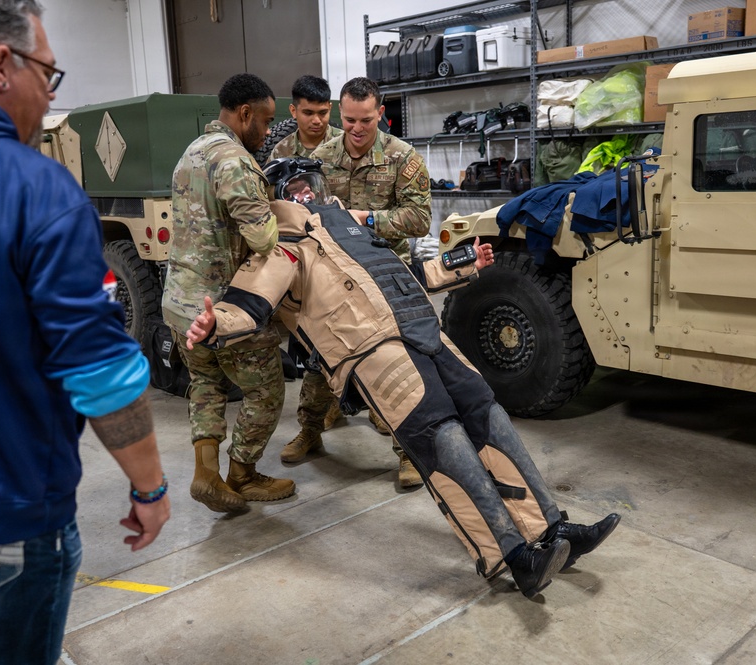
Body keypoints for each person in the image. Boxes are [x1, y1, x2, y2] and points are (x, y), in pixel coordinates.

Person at [184, 164, 620, 598]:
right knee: (442, 438)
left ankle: (551, 528)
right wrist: (216, 322)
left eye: (309, 187)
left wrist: (461, 268)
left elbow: (407, 276)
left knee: (489, 416)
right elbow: (251, 300)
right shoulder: (284, 244)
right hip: (372, 351)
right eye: (293, 191)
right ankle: (511, 554)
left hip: (423, 330)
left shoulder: (353, 229)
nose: (305, 196)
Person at [0, 2, 169, 663]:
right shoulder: (33, 189)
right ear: (0, 66)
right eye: (48, 74)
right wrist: (150, 487)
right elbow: (98, 370)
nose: (48, 98)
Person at [282, 77, 432, 488]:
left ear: (379, 114)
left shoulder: (403, 157)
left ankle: (408, 452)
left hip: (386, 275)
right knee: (319, 356)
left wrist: (366, 218)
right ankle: (311, 432)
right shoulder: (321, 158)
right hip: (332, 275)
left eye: (366, 120)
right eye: (348, 120)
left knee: (394, 365)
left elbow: (419, 219)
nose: (357, 128)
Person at [161, 73, 294, 514]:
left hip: (181, 304)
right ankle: (242, 472)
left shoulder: (190, 153)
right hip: (224, 308)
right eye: (267, 121)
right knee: (267, 390)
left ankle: (205, 474)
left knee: (204, 383)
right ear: (245, 114)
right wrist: (285, 210)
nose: (269, 130)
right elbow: (263, 240)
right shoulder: (235, 161)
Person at [267, 74, 342, 161]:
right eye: (308, 113)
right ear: (293, 111)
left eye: (323, 113)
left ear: (330, 108)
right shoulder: (281, 152)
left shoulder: (346, 144)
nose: (316, 121)